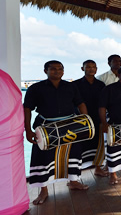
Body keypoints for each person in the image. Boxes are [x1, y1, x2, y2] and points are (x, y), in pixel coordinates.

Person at [24, 60, 89, 205]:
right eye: (53, 69)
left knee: (73, 154)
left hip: (70, 126)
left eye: (60, 69)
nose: (57, 71)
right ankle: (44, 190)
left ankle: (73, 182)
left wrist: (85, 123)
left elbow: (80, 103)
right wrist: (28, 130)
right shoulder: (35, 88)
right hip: (46, 127)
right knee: (42, 158)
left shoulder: (71, 86)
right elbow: (27, 108)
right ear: (45, 71)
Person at [74, 60, 107, 176]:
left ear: (96, 69)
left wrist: (104, 121)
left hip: (98, 119)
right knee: (79, 147)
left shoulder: (101, 85)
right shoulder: (75, 85)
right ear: (83, 69)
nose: (91, 69)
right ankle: (76, 175)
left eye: (93, 67)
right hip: (81, 120)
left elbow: (104, 103)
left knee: (98, 145)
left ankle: (98, 168)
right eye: (88, 67)